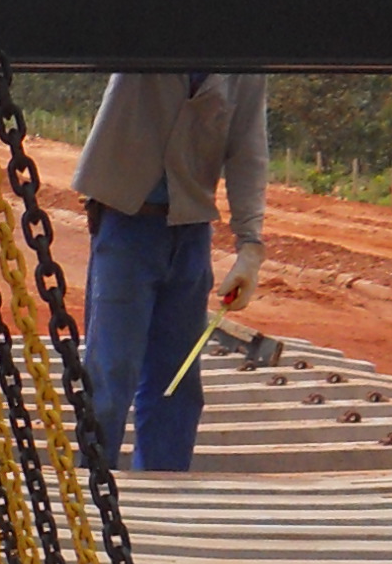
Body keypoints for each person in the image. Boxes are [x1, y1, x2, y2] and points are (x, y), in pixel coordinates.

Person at [70, 70, 267, 472]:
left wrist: (250, 246)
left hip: (190, 230)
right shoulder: (146, 36)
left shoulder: (242, 64)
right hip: (126, 223)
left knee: (176, 384)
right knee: (110, 375)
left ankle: (164, 489)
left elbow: (247, 150)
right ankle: (89, 499)